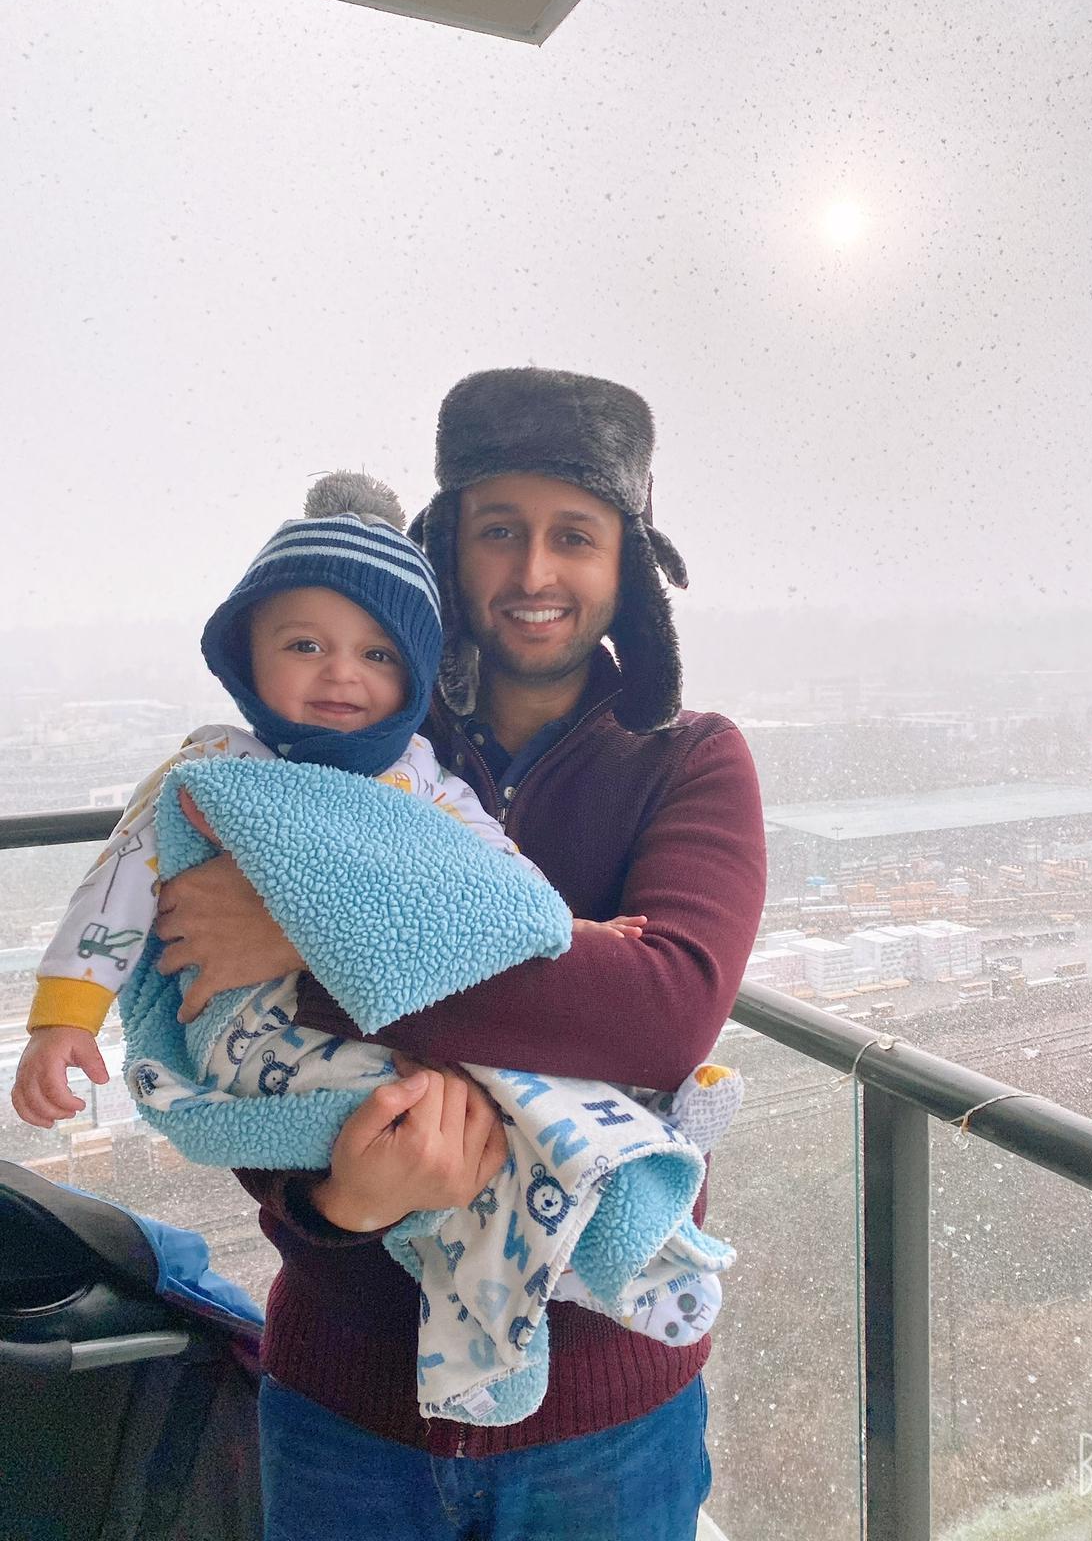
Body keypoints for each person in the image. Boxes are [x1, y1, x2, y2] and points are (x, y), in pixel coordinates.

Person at [154, 367, 767, 1541]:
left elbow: (663, 1011)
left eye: (573, 536)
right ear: (444, 547)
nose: (534, 573)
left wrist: (314, 932)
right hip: (346, 1396)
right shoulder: (344, 734)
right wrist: (335, 1200)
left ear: (625, 566)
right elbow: (233, 1032)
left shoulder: (689, 762)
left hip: (604, 1420)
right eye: (499, 531)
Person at [11, 470, 638, 1129]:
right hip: (257, 1032)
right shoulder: (216, 767)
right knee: (484, 1112)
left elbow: (493, 881)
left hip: (390, 1028)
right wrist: (64, 1018)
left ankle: (639, 1150)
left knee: (503, 1101)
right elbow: (117, 885)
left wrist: (565, 932)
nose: (341, 671)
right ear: (247, 656)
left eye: (377, 653)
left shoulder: (422, 778)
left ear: (417, 678)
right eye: (305, 645)